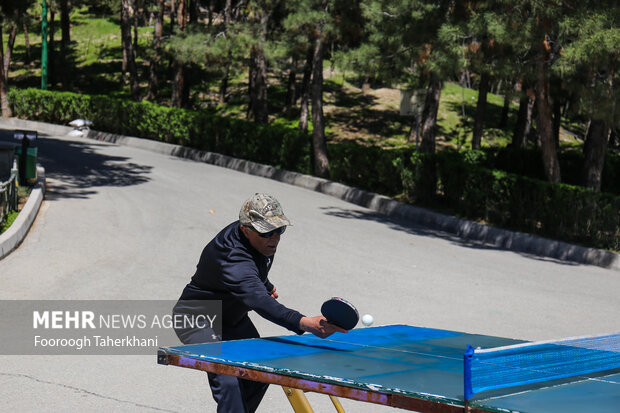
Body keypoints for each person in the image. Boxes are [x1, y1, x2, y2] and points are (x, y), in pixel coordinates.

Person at [173, 193, 345, 413]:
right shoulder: (232, 257)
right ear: (246, 230)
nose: (274, 237)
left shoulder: (258, 240)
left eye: (279, 230)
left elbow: (253, 272)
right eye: (267, 232)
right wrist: (305, 323)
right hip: (197, 319)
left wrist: (265, 283)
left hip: (232, 319)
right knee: (227, 379)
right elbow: (257, 299)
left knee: (259, 372)